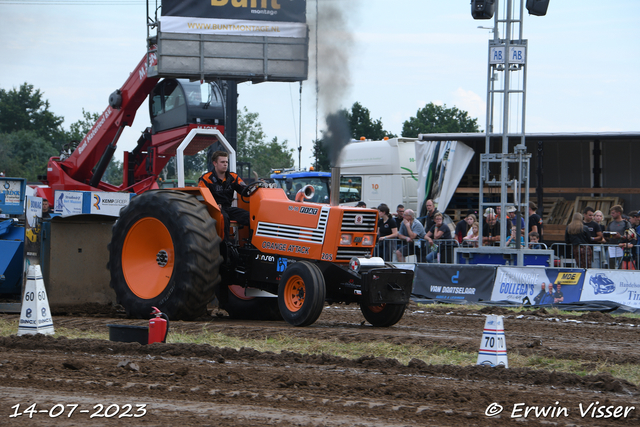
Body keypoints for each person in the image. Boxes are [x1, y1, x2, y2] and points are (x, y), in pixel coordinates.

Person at [198, 150, 250, 241]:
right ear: (215, 163)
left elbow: (244, 191)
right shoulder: (206, 178)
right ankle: (225, 248)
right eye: (222, 162)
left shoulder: (233, 177)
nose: (225, 164)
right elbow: (201, 197)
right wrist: (214, 205)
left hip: (228, 208)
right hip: (213, 210)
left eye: (226, 162)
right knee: (223, 218)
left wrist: (254, 188)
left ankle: (250, 245)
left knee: (250, 217)